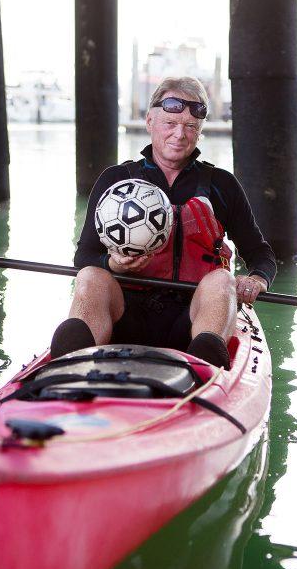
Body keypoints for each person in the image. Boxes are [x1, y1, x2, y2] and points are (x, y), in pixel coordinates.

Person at [50, 76, 276, 368]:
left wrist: (257, 279)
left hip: (194, 318)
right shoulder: (116, 181)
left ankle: (205, 369)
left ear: (199, 132)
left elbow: (261, 254)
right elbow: (84, 256)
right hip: (125, 315)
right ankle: (70, 367)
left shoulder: (222, 185)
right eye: (170, 123)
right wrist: (113, 265)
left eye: (190, 126)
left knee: (222, 279)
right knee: (91, 276)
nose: (179, 134)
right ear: (150, 122)